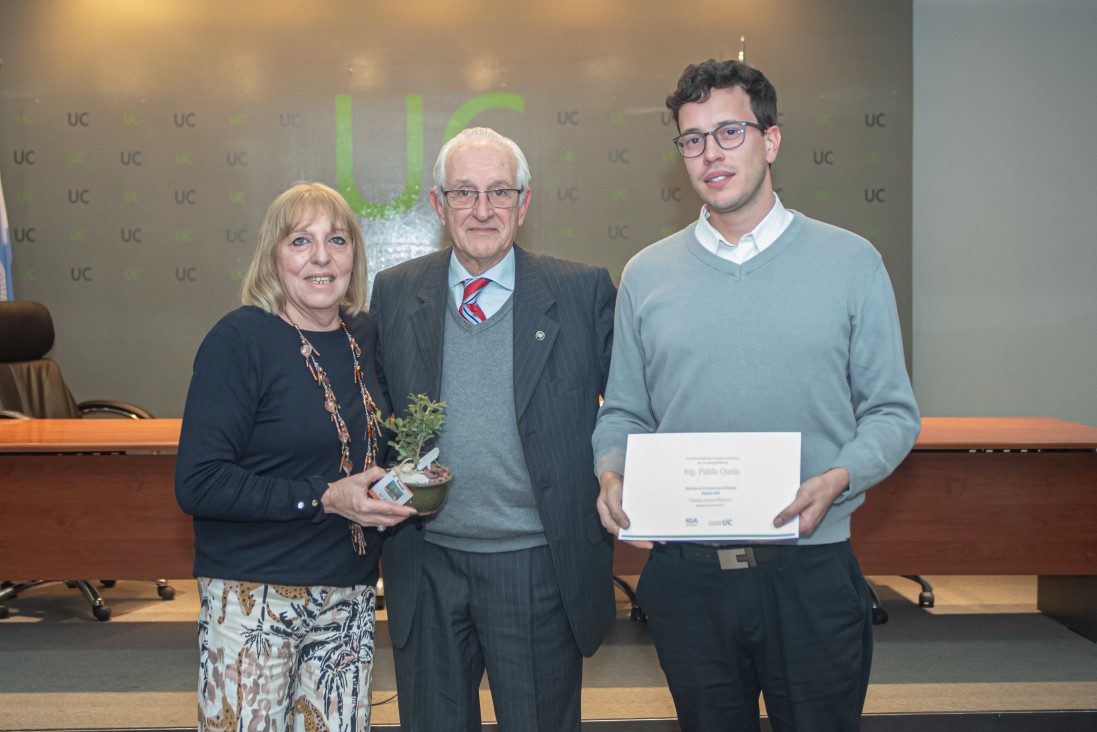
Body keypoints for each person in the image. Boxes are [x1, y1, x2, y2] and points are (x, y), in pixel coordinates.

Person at [592, 60, 921, 732]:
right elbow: (623, 410)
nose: (709, 154)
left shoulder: (851, 262)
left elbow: (891, 411)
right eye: (691, 139)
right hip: (686, 580)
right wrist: (610, 470)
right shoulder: (647, 273)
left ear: (769, 140)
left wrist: (838, 477)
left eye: (729, 132)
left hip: (810, 571)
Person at [369, 127, 616, 731]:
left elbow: (631, 407)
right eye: (464, 193)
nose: (483, 210)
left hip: (534, 566)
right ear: (438, 204)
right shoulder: (396, 293)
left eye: (499, 192)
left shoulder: (580, 291)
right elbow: (372, 414)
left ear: (523, 204)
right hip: (425, 562)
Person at [175, 182, 417, 730]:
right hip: (255, 597)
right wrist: (326, 497)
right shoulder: (239, 340)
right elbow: (200, 482)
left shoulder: (365, 336)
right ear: (273, 256)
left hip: (350, 594)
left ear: (354, 253)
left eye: (336, 239)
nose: (322, 257)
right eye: (300, 241)